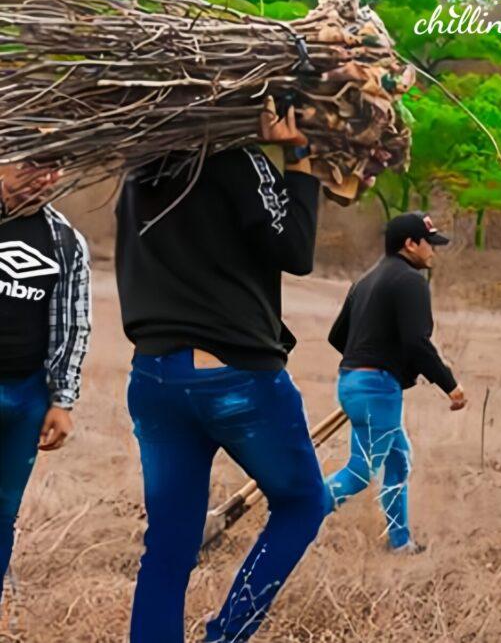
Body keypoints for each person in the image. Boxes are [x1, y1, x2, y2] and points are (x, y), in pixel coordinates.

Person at [116, 101, 351, 642]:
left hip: (153, 377)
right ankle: (226, 636)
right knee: (302, 504)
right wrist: (296, 159)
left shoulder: (139, 167)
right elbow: (295, 249)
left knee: (169, 544)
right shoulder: (237, 159)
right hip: (233, 379)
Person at [325, 212, 467, 554]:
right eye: (428, 244)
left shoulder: (366, 279)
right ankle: (298, 512)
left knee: (398, 459)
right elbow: (417, 343)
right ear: (410, 244)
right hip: (376, 390)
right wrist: (450, 385)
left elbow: (336, 336)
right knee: (359, 473)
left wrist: (366, 362)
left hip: (354, 383)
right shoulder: (410, 282)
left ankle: (400, 543)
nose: (432, 251)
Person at [0, 164, 91, 599]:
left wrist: (62, 400)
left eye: (52, 170)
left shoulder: (65, 240)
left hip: (24, 397)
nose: (44, 179)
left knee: (3, 511)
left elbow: (74, 324)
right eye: (31, 166)